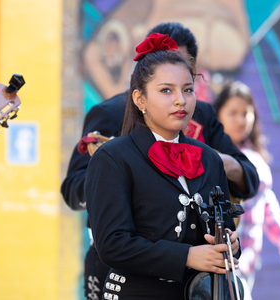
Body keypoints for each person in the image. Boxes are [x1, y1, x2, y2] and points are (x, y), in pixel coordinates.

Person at [61, 22, 259, 300]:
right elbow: (113, 244)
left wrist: (229, 245)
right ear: (140, 98)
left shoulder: (209, 158)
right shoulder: (113, 156)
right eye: (166, 90)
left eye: (187, 89)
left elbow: (224, 227)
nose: (180, 100)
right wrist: (188, 256)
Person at [213, 81, 280, 297]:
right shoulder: (207, 156)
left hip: (244, 267)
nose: (240, 119)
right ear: (217, 116)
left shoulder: (255, 162)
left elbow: (268, 209)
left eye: (246, 113)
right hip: (213, 263)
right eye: (233, 113)